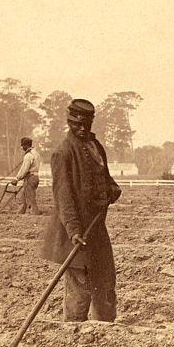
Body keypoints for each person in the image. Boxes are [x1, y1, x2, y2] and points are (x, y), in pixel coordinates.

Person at [41, 99, 123, 322]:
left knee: (105, 282)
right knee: (80, 288)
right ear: (69, 122)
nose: (82, 129)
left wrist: (112, 189)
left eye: (86, 124)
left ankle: (103, 329)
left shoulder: (96, 147)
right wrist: (74, 230)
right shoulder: (63, 153)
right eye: (76, 124)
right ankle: (73, 333)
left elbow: (106, 179)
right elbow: (63, 197)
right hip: (76, 234)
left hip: (97, 229)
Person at [13, 137, 41, 215]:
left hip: (30, 177)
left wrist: (16, 179)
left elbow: (24, 169)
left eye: (23, 146)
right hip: (35, 177)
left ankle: (34, 212)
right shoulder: (36, 153)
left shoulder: (28, 156)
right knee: (24, 195)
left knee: (30, 196)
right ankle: (21, 211)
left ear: (26, 145)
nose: (22, 148)